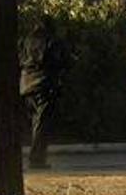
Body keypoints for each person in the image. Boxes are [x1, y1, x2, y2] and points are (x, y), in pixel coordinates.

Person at [19, 16, 73, 169]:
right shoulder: (52, 41)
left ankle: (34, 156)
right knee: (41, 125)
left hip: (26, 86)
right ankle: (37, 159)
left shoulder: (26, 40)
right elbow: (63, 62)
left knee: (33, 123)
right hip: (44, 85)